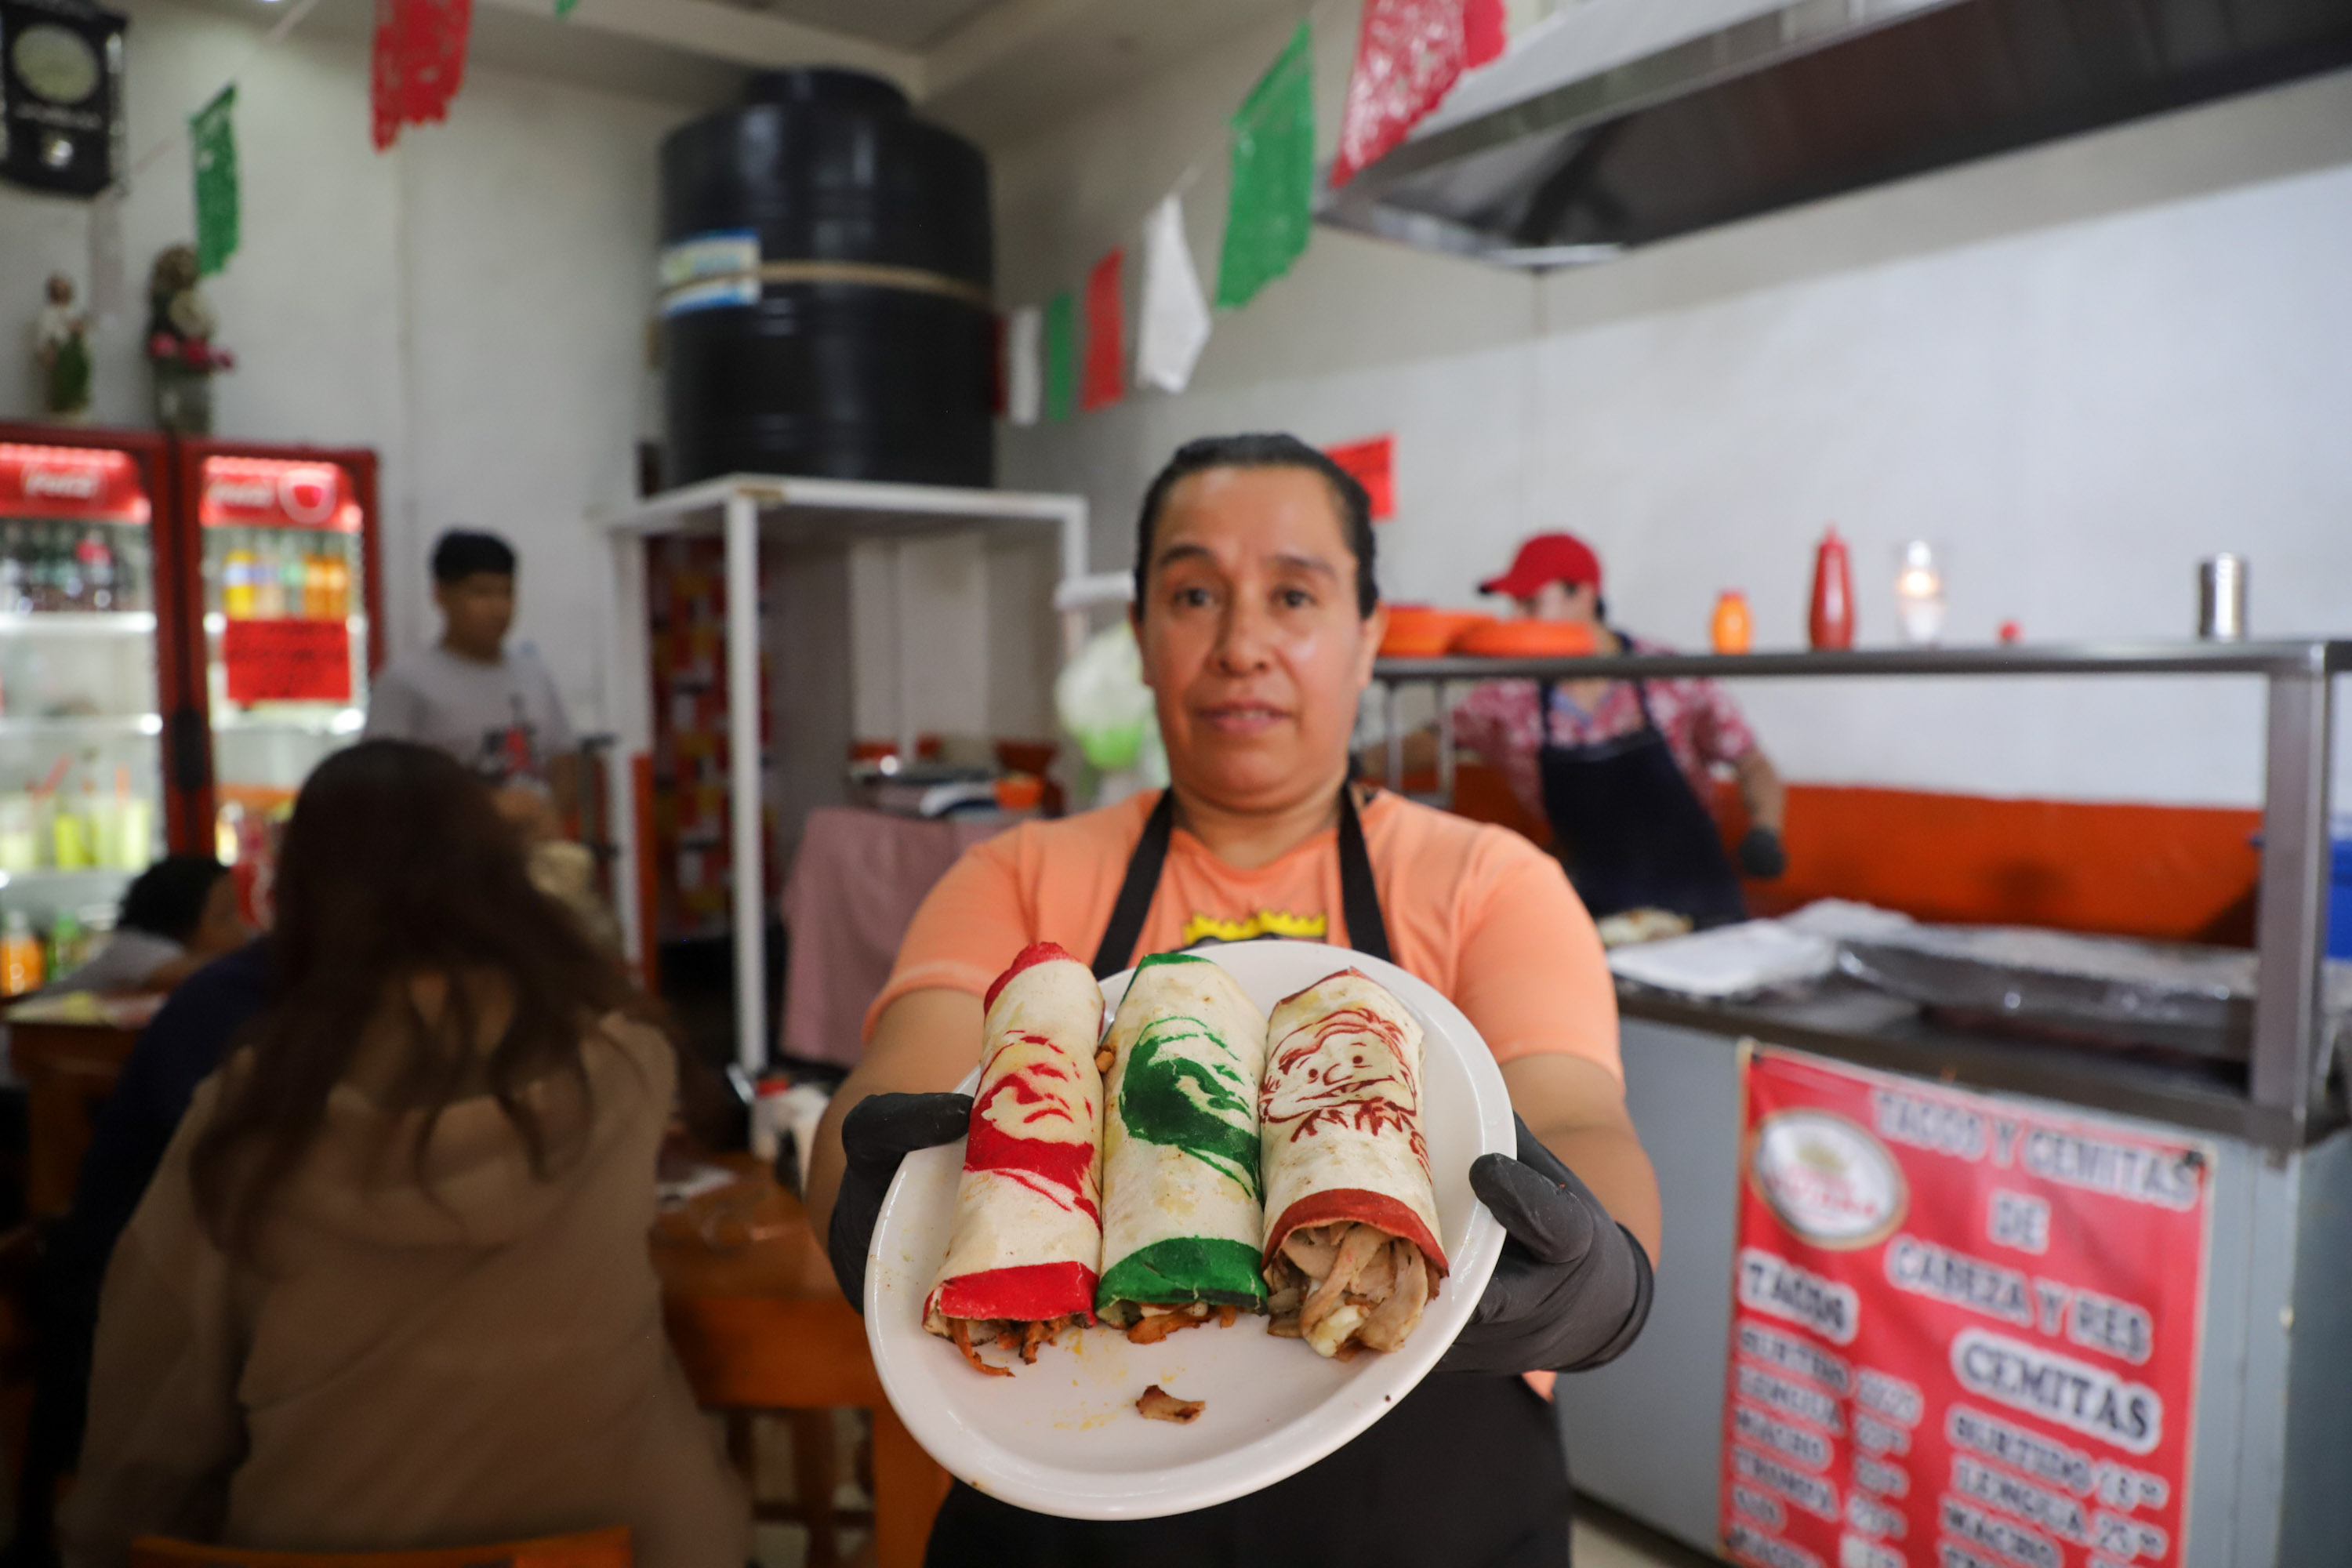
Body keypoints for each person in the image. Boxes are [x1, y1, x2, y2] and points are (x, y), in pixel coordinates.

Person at [808, 434, 1657, 1568]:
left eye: (1294, 594)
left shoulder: (1487, 878)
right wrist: (869, 1212)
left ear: (1367, 640)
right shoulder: (1016, 874)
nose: (1242, 645)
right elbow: (896, 1089)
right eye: (1194, 593)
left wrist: (1602, 1275)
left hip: (1427, 1500)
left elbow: (1580, 1114)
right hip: (1064, 1471)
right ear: (1143, 641)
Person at [61, 742, 746, 1566]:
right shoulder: (627, 1061)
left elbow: (158, 1402)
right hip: (618, 1539)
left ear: (298, 889)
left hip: (313, 1544)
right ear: (500, 869)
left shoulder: (252, 1101)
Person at [1450, 532, 1787, 926]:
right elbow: (1431, 740)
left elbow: (1751, 762)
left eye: (1531, 603)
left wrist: (1766, 832)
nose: (1518, 620)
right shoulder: (1508, 695)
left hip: (1702, 906)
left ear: (1585, 595)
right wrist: (1360, 758)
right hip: (1594, 916)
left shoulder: (1667, 674)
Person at [363, 529, 579, 834]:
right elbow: (378, 782)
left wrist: (548, 814)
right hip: (446, 864)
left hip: (526, 857)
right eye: (482, 593)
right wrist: (485, 806)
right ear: (440, 595)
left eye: (507, 593)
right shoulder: (405, 681)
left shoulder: (533, 672)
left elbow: (563, 757)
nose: (498, 608)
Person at [41, 855, 247, 996]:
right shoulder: (133, 949)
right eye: (225, 917)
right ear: (179, 921)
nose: (242, 929)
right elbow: (199, 974)